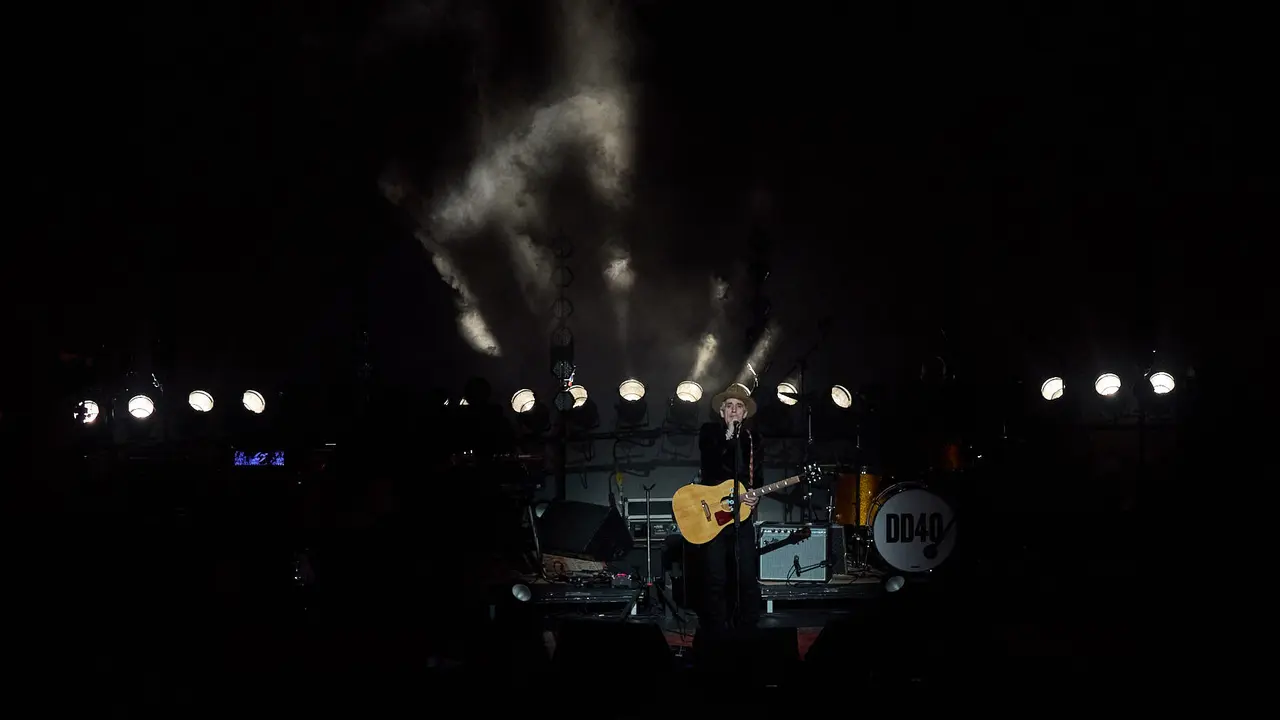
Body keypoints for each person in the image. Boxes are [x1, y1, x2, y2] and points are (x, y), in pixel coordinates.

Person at [695, 383, 765, 651]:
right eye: (730, 406)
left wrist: (756, 495)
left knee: (746, 573)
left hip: (741, 517)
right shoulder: (710, 433)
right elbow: (711, 465)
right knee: (715, 576)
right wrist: (728, 435)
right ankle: (715, 631)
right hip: (713, 515)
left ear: (745, 413)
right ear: (722, 412)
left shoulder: (753, 440)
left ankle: (748, 631)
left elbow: (756, 477)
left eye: (739, 407)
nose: (734, 410)